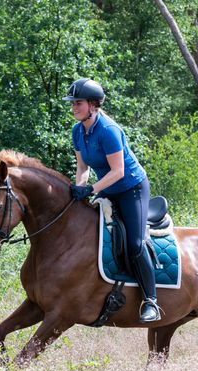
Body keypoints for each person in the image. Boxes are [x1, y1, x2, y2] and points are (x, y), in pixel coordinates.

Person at [64, 78, 160, 323]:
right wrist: (80, 187)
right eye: (73, 103)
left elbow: (118, 171)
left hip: (131, 188)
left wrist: (93, 189)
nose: (74, 107)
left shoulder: (108, 130)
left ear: (93, 105)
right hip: (106, 187)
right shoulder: (77, 131)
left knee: (136, 243)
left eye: (78, 103)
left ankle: (151, 301)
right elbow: (83, 166)